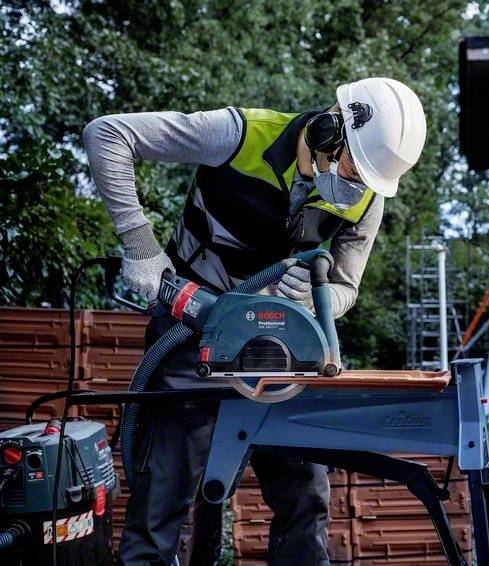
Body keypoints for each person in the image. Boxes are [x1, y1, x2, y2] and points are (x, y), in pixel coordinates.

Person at [83, 77, 427, 565]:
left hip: (279, 348)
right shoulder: (238, 135)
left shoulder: (368, 194)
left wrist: (316, 299)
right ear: (330, 129)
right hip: (192, 331)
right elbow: (107, 134)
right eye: (354, 168)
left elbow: (347, 287)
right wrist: (140, 245)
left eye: (368, 180)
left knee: (305, 496)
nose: (356, 187)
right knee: (163, 495)